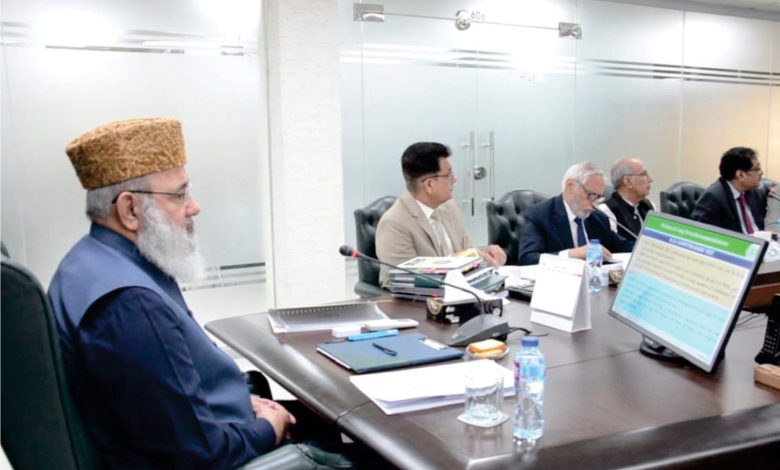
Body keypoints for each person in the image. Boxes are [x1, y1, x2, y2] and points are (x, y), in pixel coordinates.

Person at [48, 118, 354, 469]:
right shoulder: (130, 304)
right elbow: (198, 456)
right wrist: (268, 427)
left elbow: (164, 401)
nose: (194, 207)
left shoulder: (88, 262)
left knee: (328, 421)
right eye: (179, 195)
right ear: (130, 209)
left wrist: (240, 402)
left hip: (187, 432)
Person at [375, 142, 506, 286]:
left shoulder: (449, 207)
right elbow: (399, 282)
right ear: (429, 184)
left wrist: (483, 256)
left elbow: (465, 255)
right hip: (428, 299)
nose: (454, 180)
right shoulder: (394, 223)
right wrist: (455, 262)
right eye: (449, 175)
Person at [518, 161, 634, 266]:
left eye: (599, 197)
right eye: (591, 195)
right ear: (570, 187)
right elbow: (528, 259)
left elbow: (623, 246)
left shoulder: (598, 217)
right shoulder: (540, 214)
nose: (594, 203)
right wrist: (571, 254)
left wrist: (643, 250)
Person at [692, 146, 766, 234]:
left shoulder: (753, 191)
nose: (761, 173)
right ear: (740, 175)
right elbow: (700, 233)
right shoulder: (714, 197)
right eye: (757, 169)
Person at [599, 158, 655, 239]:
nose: (651, 179)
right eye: (644, 174)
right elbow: (613, 244)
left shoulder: (649, 205)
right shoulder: (606, 211)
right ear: (628, 181)